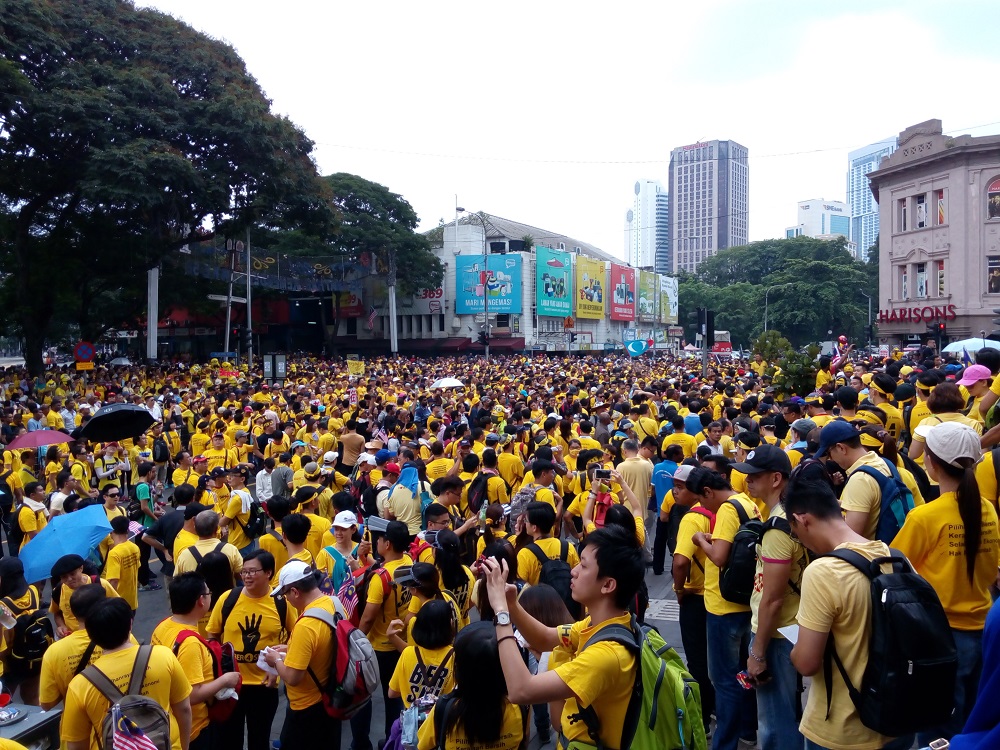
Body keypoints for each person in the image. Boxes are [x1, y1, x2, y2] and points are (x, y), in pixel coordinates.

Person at [481, 525, 643, 749]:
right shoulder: (600, 624)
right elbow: (546, 638)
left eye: (584, 566)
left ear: (608, 585)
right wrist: (511, 604)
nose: (573, 570)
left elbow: (521, 689)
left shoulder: (606, 656)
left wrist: (501, 613)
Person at [892, 422, 1000, 744]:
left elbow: (894, 572)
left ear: (932, 464)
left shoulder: (924, 517)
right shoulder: (988, 511)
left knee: (936, 727)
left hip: (940, 637)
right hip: (984, 630)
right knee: (969, 722)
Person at [787, 477, 913, 750]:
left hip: (842, 729)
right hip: (897, 721)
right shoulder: (895, 557)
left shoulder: (823, 571)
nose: (801, 540)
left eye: (795, 531)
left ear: (803, 519)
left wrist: (794, 651)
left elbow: (807, 663)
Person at [730, 444, 805, 750]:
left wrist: (757, 653)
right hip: (790, 627)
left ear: (776, 479)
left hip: (776, 633)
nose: (747, 481)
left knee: (775, 722)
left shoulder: (777, 528)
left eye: (754, 476)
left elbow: (773, 598)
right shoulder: (793, 513)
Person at [688, 466, 760, 749]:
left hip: (723, 606)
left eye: (701, 499)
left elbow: (719, 557)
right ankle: (747, 729)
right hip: (744, 602)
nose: (701, 506)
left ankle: (725, 742)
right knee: (742, 673)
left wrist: (700, 540)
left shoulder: (728, 510)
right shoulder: (747, 502)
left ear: (708, 491)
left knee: (723, 679)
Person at [62, 598, 193, 750]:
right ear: (130, 624)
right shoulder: (163, 656)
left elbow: (77, 745)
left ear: (91, 636)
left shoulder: (80, 685)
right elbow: (183, 709)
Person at [206, 550, 295, 750]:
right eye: (244, 572)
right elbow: (212, 636)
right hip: (230, 685)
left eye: (253, 571)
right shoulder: (228, 599)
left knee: (259, 740)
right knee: (228, 740)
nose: (246, 576)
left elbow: (295, 637)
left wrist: (278, 665)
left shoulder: (281, 602)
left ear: (269, 573)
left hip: (264, 686)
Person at [151, 573, 243, 750]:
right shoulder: (190, 643)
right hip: (194, 728)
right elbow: (191, 695)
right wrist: (226, 680)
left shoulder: (163, 625)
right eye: (208, 593)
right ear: (201, 600)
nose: (210, 596)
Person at [263, 561, 345, 749]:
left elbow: (293, 677)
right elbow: (325, 645)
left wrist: (275, 660)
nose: (286, 600)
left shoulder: (306, 625)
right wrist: (290, 649)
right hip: (331, 697)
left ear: (295, 592)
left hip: (307, 709)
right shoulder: (334, 603)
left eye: (285, 595)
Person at [416, 620, 523, 750]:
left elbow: (423, 745)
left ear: (461, 670)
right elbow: (524, 740)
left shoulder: (444, 709)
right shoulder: (519, 706)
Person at [40, 583, 137, 710]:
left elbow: (47, 704)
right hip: (123, 719)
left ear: (73, 614)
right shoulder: (125, 638)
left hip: (82, 718)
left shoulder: (54, 651)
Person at [670, 464, 715, 737]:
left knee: (697, 659)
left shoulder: (692, 518)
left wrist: (678, 589)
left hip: (696, 596)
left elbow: (680, 562)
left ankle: (704, 713)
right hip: (720, 594)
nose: (675, 492)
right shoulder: (723, 508)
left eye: (681, 487)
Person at [359, 520, 412, 745]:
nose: (376, 543)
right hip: (403, 640)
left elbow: (369, 616)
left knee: (365, 695)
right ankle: (395, 740)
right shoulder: (408, 561)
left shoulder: (380, 578)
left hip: (381, 646)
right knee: (395, 698)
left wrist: (356, 640)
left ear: (387, 544)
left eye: (378, 540)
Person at [387, 599, 457, 708]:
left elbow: (392, 692)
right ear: (449, 625)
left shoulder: (408, 653)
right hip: (440, 721)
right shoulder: (455, 656)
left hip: (412, 721)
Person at [0, 557, 45, 705]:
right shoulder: (33, 591)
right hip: (35, 653)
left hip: (13, 660)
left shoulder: (3, 605)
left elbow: (4, 644)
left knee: (5, 700)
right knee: (32, 697)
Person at [50, 553, 119, 637]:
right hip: (74, 640)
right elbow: (57, 613)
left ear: (81, 568)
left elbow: (119, 607)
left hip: (102, 637)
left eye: (72, 574)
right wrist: (61, 626)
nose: (69, 579)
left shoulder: (101, 584)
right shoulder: (58, 591)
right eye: (64, 577)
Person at [515, 501, 580, 587]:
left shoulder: (525, 554)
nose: (525, 523)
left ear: (534, 528)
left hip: (537, 599)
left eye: (526, 520)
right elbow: (578, 575)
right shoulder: (568, 547)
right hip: (563, 599)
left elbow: (520, 586)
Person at [174, 510, 243, 577]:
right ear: (216, 529)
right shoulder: (230, 549)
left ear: (195, 528)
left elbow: (177, 579)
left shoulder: (185, 555)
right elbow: (241, 573)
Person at [103, 515, 140, 615]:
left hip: (118, 602)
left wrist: (108, 601)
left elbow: (113, 581)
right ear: (127, 530)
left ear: (111, 532)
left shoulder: (114, 553)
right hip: (132, 600)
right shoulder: (135, 547)